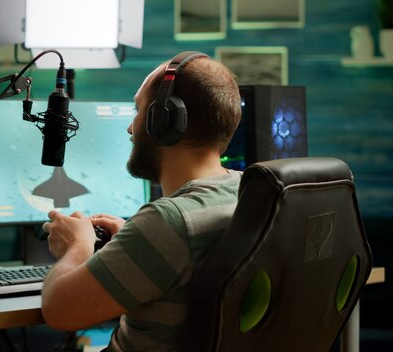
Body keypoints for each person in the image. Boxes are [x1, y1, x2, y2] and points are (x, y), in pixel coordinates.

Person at [41, 51, 242, 351]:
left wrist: (77, 245)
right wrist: (132, 241)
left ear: (164, 119)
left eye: (138, 110)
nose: (131, 128)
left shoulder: (169, 222)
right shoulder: (248, 191)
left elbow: (59, 310)